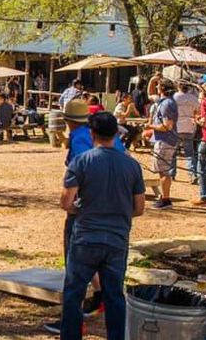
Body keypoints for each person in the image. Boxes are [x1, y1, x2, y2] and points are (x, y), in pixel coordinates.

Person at [59, 112, 145, 340]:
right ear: (116, 133)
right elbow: (139, 208)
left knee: (73, 293)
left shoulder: (81, 161)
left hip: (86, 236)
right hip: (117, 237)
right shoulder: (132, 165)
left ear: (92, 134)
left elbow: (66, 202)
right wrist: (118, 212)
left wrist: (82, 210)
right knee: (114, 295)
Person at [145, 83, 179, 209]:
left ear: (162, 89)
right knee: (162, 171)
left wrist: (150, 126)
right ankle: (165, 198)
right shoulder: (167, 102)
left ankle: (166, 199)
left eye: (158, 86)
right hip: (165, 139)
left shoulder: (166, 104)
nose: (156, 88)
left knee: (163, 171)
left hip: (165, 140)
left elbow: (166, 126)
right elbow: (150, 94)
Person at [174, 82, 200, 184]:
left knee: (173, 152)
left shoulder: (174, 97)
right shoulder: (193, 98)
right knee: (189, 152)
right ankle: (192, 174)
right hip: (189, 125)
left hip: (177, 125)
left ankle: (171, 173)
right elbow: (198, 111)